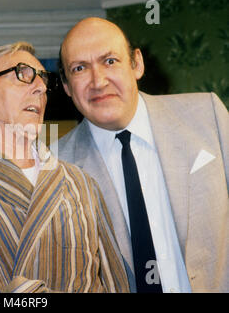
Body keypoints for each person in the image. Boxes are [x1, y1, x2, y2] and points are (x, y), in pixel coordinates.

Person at [53, 17, 228, 293]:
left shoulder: (207, 115)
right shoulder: (54, 166)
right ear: (65, 85)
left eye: (110, 61)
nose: (98, 81)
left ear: (137, 64)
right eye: (79, 68)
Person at [0, 41, 129, 293]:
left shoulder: (80, 183)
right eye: (23, 74)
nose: (41, 88)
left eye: (43, 80)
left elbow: (114, 281)